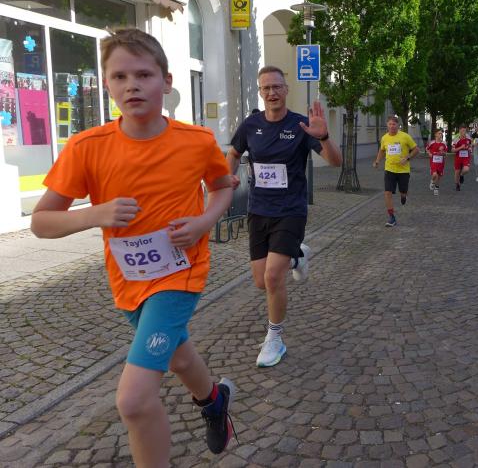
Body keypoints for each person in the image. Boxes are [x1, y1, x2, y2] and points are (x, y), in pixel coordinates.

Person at [31, 29, 236, 465]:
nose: (132, 86)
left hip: (180, 274)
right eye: (120, 76)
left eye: (144, 74)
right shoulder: (86, 147)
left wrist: (203, 222)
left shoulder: (196, 141)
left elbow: (223, 187)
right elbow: (41, 223)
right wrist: (95, 214)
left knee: (134, 400)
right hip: (128, 280)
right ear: (106, 84)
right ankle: (215, 401)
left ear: (167, 80)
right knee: (179, 357)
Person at [227, 66, 342, 368]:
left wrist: (325, 136)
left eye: (277, 86)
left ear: (286, 89)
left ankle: (274, 338)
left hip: (291, 211)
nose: (272, 93)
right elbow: (234, 152)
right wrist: (228, 178)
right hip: (258, 210)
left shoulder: (302, 125)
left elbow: (335, 161)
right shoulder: (251, 125)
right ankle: (297, 257)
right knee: (260, 281)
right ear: (260, 92)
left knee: (272, 277)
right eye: (266, 88)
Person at [374, 115, 419, 225]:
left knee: (403, 191)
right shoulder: (384, 138)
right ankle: (391, 216)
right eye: (390, 124)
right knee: (387, 192)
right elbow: (382, 150)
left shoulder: (405, 136)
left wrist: (407, 157)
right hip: (389, 169)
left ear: (398, 125)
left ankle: (403, 196)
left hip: (403, 171)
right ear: (387, 125)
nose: (392, 126)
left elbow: (416, 150)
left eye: (394, 124)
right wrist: (377, 161)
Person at [426, 128, 448, 196]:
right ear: (435, 134)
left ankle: (436, 188)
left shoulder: (444, 143)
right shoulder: (432, 142)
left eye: (441, 133)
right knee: (434, 174)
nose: (440, 135)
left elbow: (445, 153)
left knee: (438, 177)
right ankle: (432, 181)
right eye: (439, 133)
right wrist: (429, 153)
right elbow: (427, 149)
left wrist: (442, 152)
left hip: (441, 162)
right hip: (433, 162)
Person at [452, 125, 471, 191]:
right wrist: (461, 147)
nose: (464, 132)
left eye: (465, 131)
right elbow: (453, 150)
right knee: (457, 172)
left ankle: (462, 175)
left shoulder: (468, 138)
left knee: (466, 169)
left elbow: (470, 145)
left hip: (466, 157)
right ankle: (457, 184)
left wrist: (469, 148)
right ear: (459, 131)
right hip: (458, 158)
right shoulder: (456, 139)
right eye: (462, 131)